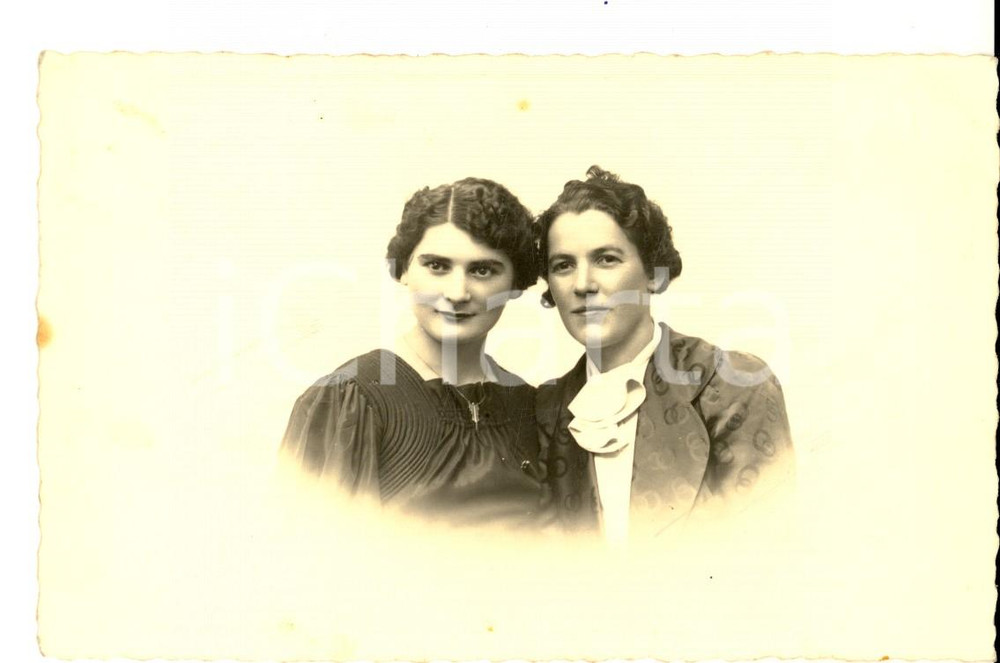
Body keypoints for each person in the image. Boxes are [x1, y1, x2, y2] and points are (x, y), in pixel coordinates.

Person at [535, 166, 794, 545]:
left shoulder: (734, 386)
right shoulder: (543, 410)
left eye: (606, 259)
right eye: (563, 265)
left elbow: (764, 552)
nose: (582, 284)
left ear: (655, 275)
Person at [280, 177, 547, 528]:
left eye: (482, 270)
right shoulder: (353, 399)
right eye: (437, 266)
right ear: (404, 269)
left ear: (515, 284)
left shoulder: (531, 407)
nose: (457, 293)